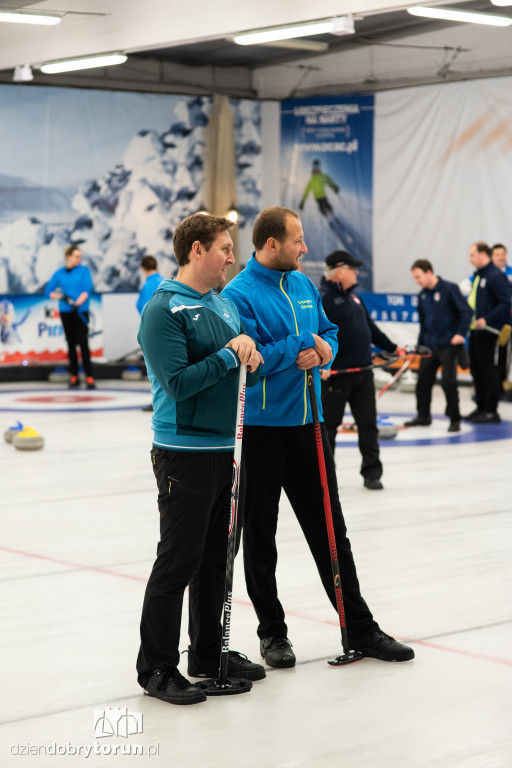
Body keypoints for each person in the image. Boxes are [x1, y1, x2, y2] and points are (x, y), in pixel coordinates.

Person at [223, 206, 414, 670]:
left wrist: (323, 346)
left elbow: (326, 333)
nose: (305, 248)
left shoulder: (305, 284)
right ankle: (272, 634)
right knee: (261, 536)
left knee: (332, 530)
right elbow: (254, 360)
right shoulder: (239, 293)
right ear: (272, 244)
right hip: (263, 433)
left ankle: (360, 627)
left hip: (309, 426)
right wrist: (300, 347)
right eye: (297, 240)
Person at [136, 213, 265, 706]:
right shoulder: (164, 310)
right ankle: (157, 669)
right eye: (225, 249)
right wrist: (231, 357)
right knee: (179, 560)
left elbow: (237, 350)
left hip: (227, 450)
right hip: (184, 453)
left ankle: (208, 653)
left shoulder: (221, 304)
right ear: (196, 251)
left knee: (216, 560)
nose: (233, 257)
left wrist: (247, 352)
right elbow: (177, 383)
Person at [319, 250, 405, 490]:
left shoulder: (355, 298)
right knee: (330, 427)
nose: (357, 273)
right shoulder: (323, 299)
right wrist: (322, 364)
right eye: (352, 269)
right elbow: (316, 335)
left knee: (368, 424)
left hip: (363, 373)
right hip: (336, 376)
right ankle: (325, 476)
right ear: (339, 271)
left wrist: (393, 347)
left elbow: (372, 329)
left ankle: (372, 472)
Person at [405, 260, 472, 433]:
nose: (417, 281)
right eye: (414, 278)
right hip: (428, 347)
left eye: (418, 277)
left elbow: (466, 312)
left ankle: (455, 419)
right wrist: (419, 347)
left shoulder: (450, 289)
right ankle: (423, 416)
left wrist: (460, 333)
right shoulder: (422, 296)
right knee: (422, 382)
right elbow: (423, 323)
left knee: (448, 383)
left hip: (448, 345)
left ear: (429, 272)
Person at [465, 241, 511, 423]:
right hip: (475, 330)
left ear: (483, 254)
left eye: (472, 255)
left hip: (489, 331)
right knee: (475, 369)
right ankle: (481, 406)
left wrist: (487, 319)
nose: (470, 259)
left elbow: (505, 303)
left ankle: (492, 410)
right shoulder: (478, 276)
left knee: (487, 369)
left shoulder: (495, 276)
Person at [45, 246, 96, 389]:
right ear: (68, 256)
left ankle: (89, 376)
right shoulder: (59, 273)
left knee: (83, 344)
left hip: (80, 311)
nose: (78, 259)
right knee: (71, 344)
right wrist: (63, 297)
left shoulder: (84, 271)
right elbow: (48, 291)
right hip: (66, 312)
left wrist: (77, 303)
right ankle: (74, 375)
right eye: (75, 256)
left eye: (80, 256)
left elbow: (87, 289)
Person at [491, 244, 512, 391]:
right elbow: (465, 286)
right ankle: (494, 386)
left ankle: (507, 385)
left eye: (502, 254)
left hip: (509, 321)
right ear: (492, 257)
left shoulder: (510, 272)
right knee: (495, 354)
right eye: (497, 254)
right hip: (492, 322)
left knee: (508, 355)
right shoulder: (487, 273)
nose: (500, 257)